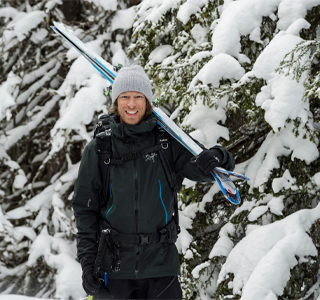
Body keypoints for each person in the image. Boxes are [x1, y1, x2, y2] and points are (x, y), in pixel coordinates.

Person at [72, 65, 235, 299]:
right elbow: (84, 211)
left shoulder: (166, 143)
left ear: (147, 102)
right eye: (125, 97)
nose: (131, 104)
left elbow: (204, 168)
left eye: (138, 97)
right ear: (116, 102)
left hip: (161, 268)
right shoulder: (100, 148)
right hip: (113, 269)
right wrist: (88, 263)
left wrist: (219, 157)